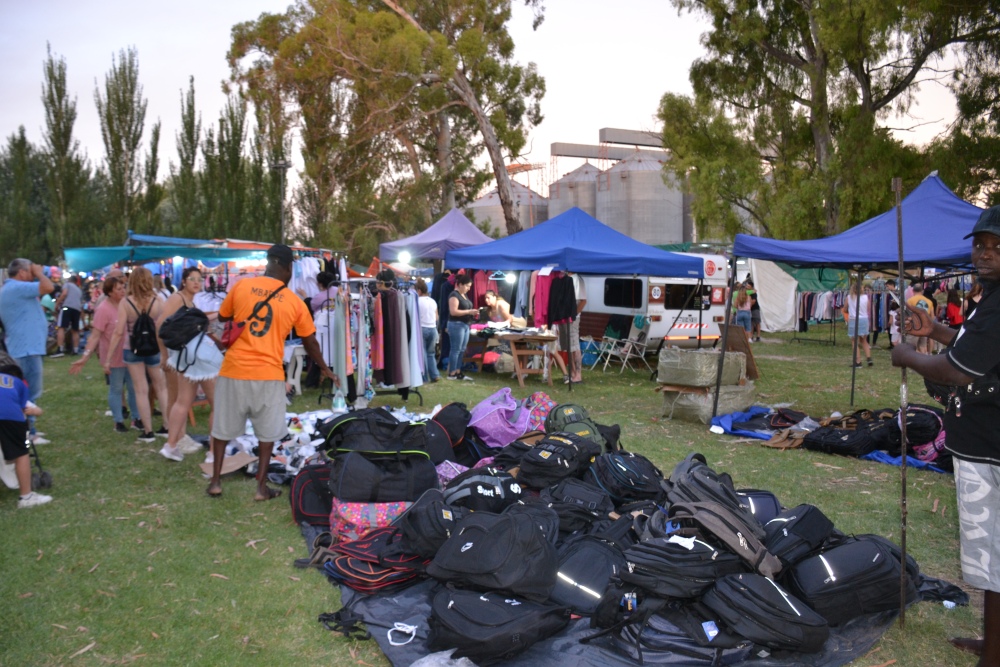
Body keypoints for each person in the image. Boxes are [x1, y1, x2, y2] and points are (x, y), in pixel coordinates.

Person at [892, 204, 1000, 666]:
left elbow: (956, 371)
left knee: (993, 559)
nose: (986, 254)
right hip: (984, 443)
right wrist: (935, 328)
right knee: (993, 560)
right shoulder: (988, 300)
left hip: (991, 448)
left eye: (997, 246)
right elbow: (971, 348)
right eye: (980, 244)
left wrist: (907, 355)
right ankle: (992, 640)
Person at [207, 244, 337, 500]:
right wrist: (325, 368)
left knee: (222, 430)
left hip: (234, 369)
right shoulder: (294, 301)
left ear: (268, 263)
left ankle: (215, 482)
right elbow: (310, 342)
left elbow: (223, 318)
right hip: (268, 374)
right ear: (288, 267)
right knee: (266, 434)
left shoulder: (242, 286)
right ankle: (260, 488)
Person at [155, 267, 219, 462]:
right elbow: (160, 325)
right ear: (184, 281)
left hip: (189, 356)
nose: (196, 282)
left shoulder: (188, 300)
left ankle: (172, 445)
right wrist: (164, 355)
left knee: (183, 400)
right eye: (192, 279)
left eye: (199, 279)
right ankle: (213, 453)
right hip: (194, 358)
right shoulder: (178, 298)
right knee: (216, 403)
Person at [105, 267, 169, 443]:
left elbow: (118, 332)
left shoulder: (126, 303)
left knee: (141, 390)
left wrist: (108, 358)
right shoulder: (159, 300)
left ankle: (148, 431)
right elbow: (163, 327)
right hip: (154, 348)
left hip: (132, 349)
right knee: (161, 387)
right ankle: (166, 425)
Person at [68, 276, 139, 433]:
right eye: (119, 289)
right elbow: (95, 335)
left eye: (123, 288)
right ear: (109, 292)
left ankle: (136, 418)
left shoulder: (127, 304)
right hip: (113, 356)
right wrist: (85, 356)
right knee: (116, 388)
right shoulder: (103, 309)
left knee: (134, 388)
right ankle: (118, 421)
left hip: (130, 353)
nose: (123, 291)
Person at [0, 259, 54, 445]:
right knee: (27, 392)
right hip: (25, 349)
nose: (33, 274)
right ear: (22, 272)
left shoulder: (11, 289)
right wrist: (39, 273)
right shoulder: (17, 288)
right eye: (30, 270)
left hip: (25, 347)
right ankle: (28, 433)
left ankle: (29, 429)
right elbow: (48, 287)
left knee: (26, 392)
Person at [0, 361, 51, 508]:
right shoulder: (18, 383)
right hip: (9, 417)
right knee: (21, 453)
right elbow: (24, 407)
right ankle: (26, 497)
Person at [446, 274, 476, 381]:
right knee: (456, 349)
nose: (469, 288)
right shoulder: (454, 295)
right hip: (456, 324)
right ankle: (452, 373)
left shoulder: (464, 295)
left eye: (470, 286)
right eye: (467, 286)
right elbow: (453, 312)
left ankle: (458, 371)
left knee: (462, 349)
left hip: (465, 324)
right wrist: (469, 311)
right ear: (460, 284)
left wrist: (473, 312)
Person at [841, 282, 873, 367]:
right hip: (864, 319)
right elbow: (868, 308)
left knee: (854, 341)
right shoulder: (866, 297)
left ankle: (858, 361)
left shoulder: (849, 297)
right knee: (864, 340)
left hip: (854, 320)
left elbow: (845, 308)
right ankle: (869, 358)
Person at [564, 272, 588, 383]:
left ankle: (578, 375)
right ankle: (573, 373)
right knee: (569, 345)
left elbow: (583, 301)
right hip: (566, 317)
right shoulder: (567, 278)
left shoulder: (577, 279)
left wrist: (574, 315)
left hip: (573, 318)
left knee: (574, 345)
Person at [416, 278, 440, 383]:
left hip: (422, 327)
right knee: (430, 353)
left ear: (419, 291)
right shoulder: (433, 301)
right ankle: (434, 374)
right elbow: (436, 317)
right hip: (432, 328)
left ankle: (424, 377)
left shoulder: (417, 301)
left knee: (422, 354)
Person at [53, 275, 83, 357]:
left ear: (69, 280)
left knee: (61, 327)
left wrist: (57, 303)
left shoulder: (67, 284)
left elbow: (64, 293)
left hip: (67, 307)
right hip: (77, 310)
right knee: (75, 330)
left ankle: (60, 349)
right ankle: (76, 350)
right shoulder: (79, 290)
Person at [906, 283, 936, 354]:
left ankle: (912, 359)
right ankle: (924, 360)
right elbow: (932, 316)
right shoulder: (929, 301)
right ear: (922, 291)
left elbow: (907, 314)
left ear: (913, 291)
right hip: (925, 326)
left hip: (914, 326)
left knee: (911, 345)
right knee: (923, 346)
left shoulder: (910, 301)